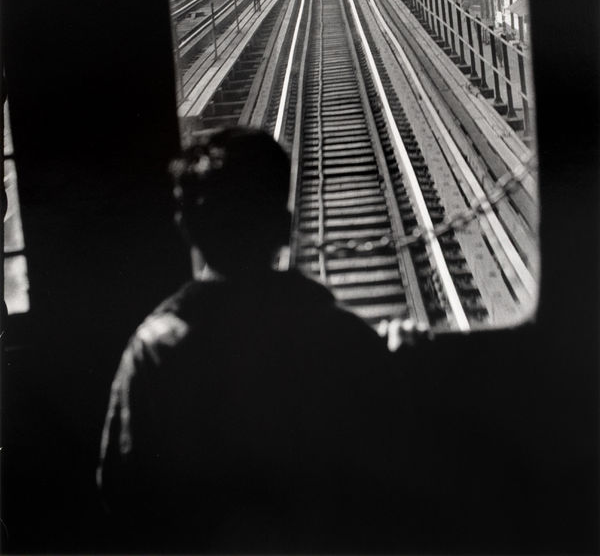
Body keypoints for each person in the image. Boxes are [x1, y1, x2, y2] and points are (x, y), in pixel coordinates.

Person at [98, 127, 398, 554]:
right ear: (284, 225)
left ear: (186, 228)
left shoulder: (154, 350)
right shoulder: (341, 338)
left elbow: (121, 493)